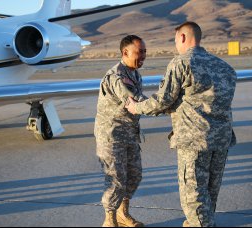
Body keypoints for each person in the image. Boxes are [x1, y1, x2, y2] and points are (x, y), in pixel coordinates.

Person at [126, 22, 236, 227]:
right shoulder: (225, 67)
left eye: (176, 39)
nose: (175, 43)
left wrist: (136, 108)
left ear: (183, 37)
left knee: (193, 196)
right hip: (221, 140)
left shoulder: (182, 63)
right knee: (210, 192)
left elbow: (163, 100)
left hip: (194, 140)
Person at [94, 35, 147, 227]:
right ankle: (110, 220)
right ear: (125, 52)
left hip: (130, 134)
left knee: (134, 176)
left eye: (144, 52)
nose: (142, 56)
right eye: (138, 52)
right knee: (115, 180)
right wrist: (164, 105)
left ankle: (123, 214)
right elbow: (134, 100)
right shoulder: (116, 77)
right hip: (112, 136)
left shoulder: (135, 73)